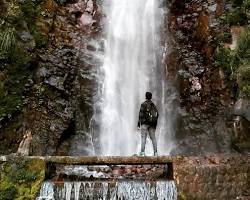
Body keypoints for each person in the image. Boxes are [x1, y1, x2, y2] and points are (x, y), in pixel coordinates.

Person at [138, 92, 159, 156]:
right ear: (151, 97)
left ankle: (142, 153)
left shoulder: (143, 104)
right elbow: (157, 114)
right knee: (153, 138)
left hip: (144, 123)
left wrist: (139, 124)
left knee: (143, 137)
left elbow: (140, 115)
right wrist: (154, 123)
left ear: (146, 97)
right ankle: (155, 153)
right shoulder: (153, 105)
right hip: (152, 124)